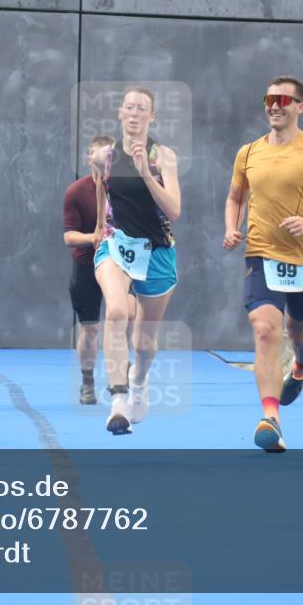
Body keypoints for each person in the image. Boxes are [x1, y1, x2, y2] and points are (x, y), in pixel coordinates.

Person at [223, 76, 303, 452]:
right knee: (265, 328)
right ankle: (270, 417)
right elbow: (234, 198)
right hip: (261, 254)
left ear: (300, 106)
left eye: (283, 99)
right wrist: (232, 228)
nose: (274, 106)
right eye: (269, 99)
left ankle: (301, 365)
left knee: (299, 333)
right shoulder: (247, 153)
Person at [93, 86, 181, 435]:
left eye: (141, 108)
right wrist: (100, 224)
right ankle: (118, 400)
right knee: (115, 311)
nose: (134, 113)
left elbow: (174, 210)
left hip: (157, 250)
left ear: (151, 116)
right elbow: (101, 186)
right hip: (117, 244)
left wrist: (146, 172)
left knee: (143, 343)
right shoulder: (105, 156)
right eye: (128, 107)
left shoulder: (164, 156)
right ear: (119, 113)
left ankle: (139, 381)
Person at [63, 134, 136, 405]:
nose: (106, 161)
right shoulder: (75, 192)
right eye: (100, 157)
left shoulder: (126, 189)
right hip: (86, 265)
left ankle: (120, 377)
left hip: (122, 263)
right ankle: (87, 381)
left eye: (110, 157)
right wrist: (92, 238)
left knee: (124, 317)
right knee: (91, 329)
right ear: (89, 160)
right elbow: (68, 236)